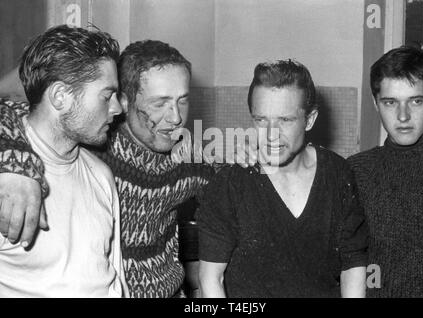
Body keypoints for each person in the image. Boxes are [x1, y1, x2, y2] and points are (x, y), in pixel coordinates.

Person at [0, 38, 252, 297]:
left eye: (182, 101)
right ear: (125, 101)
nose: (176, 117)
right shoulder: (95, 143)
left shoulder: (187, 157)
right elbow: (24, 110)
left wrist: (248, 162)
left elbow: (231, 190)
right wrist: (15, 160)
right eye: (159, 103)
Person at [198, 59, 368, 298]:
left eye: (285, 120)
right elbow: (211, 280)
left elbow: (353, 263)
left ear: (309, 119)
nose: (270, 135)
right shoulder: (231, 182)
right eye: (261, 120)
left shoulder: (337, 173)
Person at [0, 24, 128, 297]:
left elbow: (115, 279)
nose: (117, 108)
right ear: (60, 97)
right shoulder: (7, 179)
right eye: (107, 95)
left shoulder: (100, 174)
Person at [347, 44, 423, 297]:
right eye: (390, 102)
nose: (403, 116)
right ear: (375, 103)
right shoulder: (356, 170)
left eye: (415, 101)